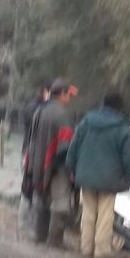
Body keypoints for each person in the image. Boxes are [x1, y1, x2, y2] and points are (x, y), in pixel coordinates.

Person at [66, 92, 130, 258]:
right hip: (109, 179)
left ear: (102, 104)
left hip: (85, 175)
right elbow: (129, 159)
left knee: (88, 212)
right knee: (105, 215)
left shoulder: (86, 123)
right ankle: (101, 250)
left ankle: (86, 247)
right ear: (119, 109)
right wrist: (127, 177)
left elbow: (74, 146)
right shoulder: (122, 130)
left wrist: (71, 168)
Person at [26, 78, 78, 247]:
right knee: (61, 204)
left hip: (37, 163)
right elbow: (65, 145)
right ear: (61, 94)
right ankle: (54, 240)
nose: (69, 98)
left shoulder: (39, 112)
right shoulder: (63, 114)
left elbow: (31, 140)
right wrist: (65, 167)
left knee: (41, 199)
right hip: (56, 165)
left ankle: (38, 235)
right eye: (68, 94)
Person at [18, 81, 51, 241]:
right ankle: (26, 222)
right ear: (45, 91)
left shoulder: (35, 108)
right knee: (29, 185)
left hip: (31, 150)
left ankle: (28, 222)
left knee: (30, 184)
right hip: (31, 151)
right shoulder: (35, 109)